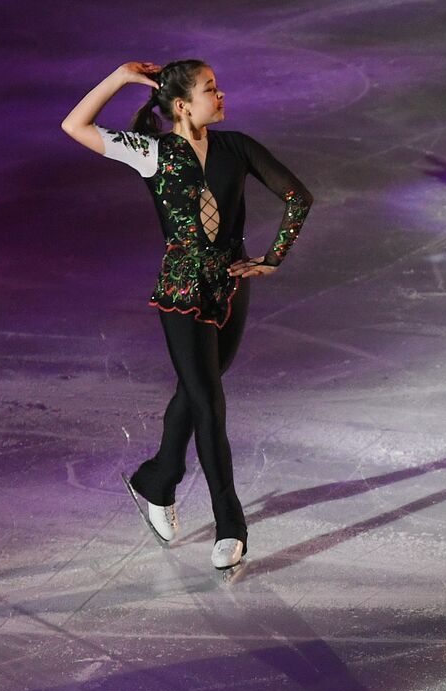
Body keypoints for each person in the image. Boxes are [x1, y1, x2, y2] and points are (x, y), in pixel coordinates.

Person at [61, 60, 313, 572]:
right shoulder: (152, 153)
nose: (221, 96)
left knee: (198, 390)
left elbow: (297, 197)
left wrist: (271, 259)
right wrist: (119, 77)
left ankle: (157, 478)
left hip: (230, 289)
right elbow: (75, 126)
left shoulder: (236, 147)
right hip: (180, 292)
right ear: (182, 105)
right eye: (210, 90)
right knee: (209, 400)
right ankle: (231, 524)